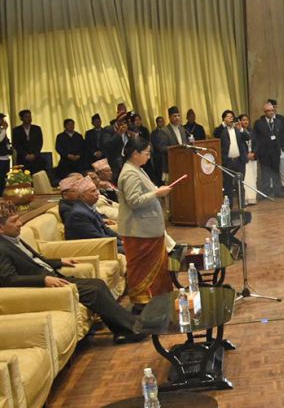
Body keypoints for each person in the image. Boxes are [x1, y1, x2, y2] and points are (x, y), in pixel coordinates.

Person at [0, 200, 146, 343]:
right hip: (42, 287)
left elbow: (33, 260)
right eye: (14, 221)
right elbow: (8, 279)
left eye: (19, 218)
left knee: (97, 284)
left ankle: (126, 328)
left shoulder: (12, 238)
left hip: (52, 276)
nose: (20, 223)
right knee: (94, 291)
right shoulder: (2, 248)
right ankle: (129, 329)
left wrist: (60, 261)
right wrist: (43, 280)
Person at [117, 136, 173, 309]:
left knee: (158, 267)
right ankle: (143, 304)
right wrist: (156, 194)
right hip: (139, 231)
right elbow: (134, 201)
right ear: (135, 153)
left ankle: (158, 301)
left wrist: (156, 190)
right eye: (146, 153)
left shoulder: (137, 169)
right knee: (142, 269)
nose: (148, 156)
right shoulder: (129, 173)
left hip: (147, 229)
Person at [60, 175, 120, 248]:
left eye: (96, 190)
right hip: (94, 248)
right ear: (83, 195)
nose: (97, 193)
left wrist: (121, 240)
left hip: (103, 243)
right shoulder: (78, 214)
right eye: (93, 191)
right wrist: (119, 243)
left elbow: (106, 229)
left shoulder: (88, 207)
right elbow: (95, 237)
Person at [213, 110, 249, 205]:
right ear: (224, 119)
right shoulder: (222, 130)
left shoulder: (238, 130)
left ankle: (242, 205)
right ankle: (230, 206)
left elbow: (247, 137)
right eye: (228, 117)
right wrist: (224, 124)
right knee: (228, 185)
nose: (231, 119)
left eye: (232, 117)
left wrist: (241, 128)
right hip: (227, 162)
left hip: (239, 161)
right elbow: (215, 134)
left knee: (240, 184)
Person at [254, 103, 284, 198]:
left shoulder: (278, 122)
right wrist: (257, 151)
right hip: (264, 152)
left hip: (275, 152)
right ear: (265, 112)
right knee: (265, 173)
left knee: (276, 172)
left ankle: (278, 191)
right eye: (269, 111)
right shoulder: (259, 123)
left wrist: (283, 148)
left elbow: (281, 136)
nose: (271, 112)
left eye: (273, 110)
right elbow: (256, 138)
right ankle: (265, 192)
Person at [12, 109, 44, 175]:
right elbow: (16, 144)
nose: (29, 119)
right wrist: (25, 155)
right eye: (26, 117)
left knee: (37, 179)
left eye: (30, 116)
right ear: (21, 118)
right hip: (22, 158)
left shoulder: (37, 128)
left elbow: (40, 143)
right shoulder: (16, 130)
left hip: (36, 158)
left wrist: (34, 154)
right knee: (24, 179)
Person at [101, 113, 130, 182]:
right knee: (118, 181)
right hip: (114, 161)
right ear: (117, 121)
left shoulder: (127, 129)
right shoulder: (108, 129)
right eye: (122, 121)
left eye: (126, 122)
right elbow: (106, 144)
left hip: (127, 160)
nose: (124, 123)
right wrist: (118, 134)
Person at [238, 114, 258, 205]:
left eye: (247, 120)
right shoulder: (238, 132)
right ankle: (246, 199)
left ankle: (253, 198)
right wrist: (246, 155)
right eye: (243, 120)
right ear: (239, 121)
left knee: (254, 177)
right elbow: (238, 146)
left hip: (253, 157)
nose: (245, 122)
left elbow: (257, 143)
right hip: (244, 158)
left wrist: (254, 153)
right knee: (246, 178)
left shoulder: (252, 131)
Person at [0, 114, 10, 194]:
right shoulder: (2, 130)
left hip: (5, 157)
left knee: (5, 177)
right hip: (0, 158)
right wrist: (4, 129)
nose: (3, 121)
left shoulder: (2, 129)